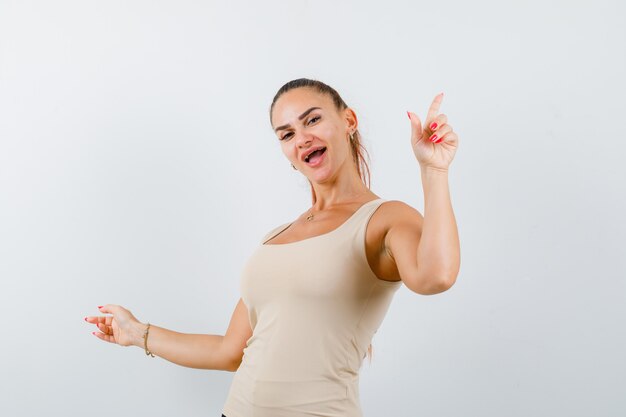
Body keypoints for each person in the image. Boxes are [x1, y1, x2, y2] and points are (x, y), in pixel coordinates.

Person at [84, 78, 460, 417]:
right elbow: (230, 352)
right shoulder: (277, 237)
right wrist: (137, 333)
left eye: (312, 120)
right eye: (286, 134)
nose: (302, 139)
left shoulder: (384, 218)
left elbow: (436, 277)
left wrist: (434, 171)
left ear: (348, 121)